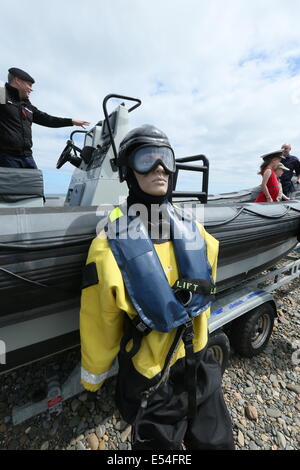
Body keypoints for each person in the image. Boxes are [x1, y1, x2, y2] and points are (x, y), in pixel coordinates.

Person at [80, 124, 235, 450]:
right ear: (127, 170)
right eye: (146, 160)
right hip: (153, 376)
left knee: (219, 442)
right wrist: (93, 373)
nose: (159, 169)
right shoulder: (109, 248)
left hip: (199, 362)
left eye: (165, 159)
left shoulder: (198, 234)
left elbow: (207, 287)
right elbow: (99, 319)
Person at [0, 67, 90, 169]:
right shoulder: (3, 94)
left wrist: (71, 121)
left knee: (35, 184)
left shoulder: (26, 104)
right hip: (7, 157)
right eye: (29, 85)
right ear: (17, 81)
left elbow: (48, 120)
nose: (31, 89)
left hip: (27, 157)